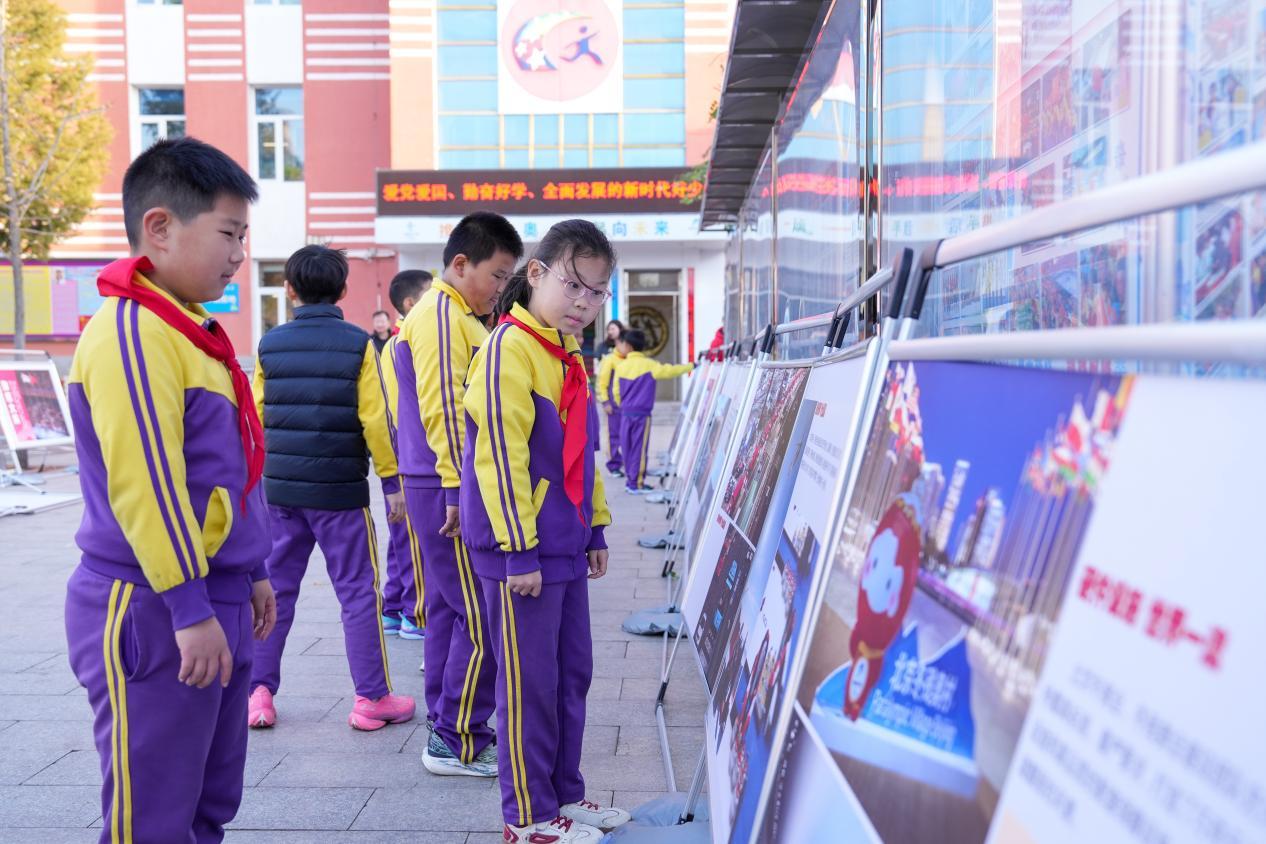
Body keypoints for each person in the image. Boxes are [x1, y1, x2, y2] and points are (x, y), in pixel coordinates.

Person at [64, 136, 277, 842]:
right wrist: (189, 606)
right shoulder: (133, 330)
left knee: (208, 803)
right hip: (156, 605)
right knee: (153, 818)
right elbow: (148, 483)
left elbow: (232, 467)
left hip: (213, 594)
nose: (239, 254)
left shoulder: (192, 333)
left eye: (243, 236)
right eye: (229, 234)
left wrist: (251, 570)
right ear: (159, 227)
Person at [463, 219, 630, 843]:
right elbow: (499, 458)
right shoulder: (508, 348)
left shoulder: (565, 352)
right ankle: (526, 816)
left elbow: (582, 453)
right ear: (536, 274)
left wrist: (595, 528)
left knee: (569, 675)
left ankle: (564, 796)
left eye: (598, 291)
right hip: (522, 553)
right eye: (574, 285)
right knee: (528, 685)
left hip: (562, 544)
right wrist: (519, 551)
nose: (585, 302)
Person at [248, 244, 416, 732]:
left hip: (279, 492)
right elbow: (376, 420)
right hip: (340, 493)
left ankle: (258, 695)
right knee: (358, 593)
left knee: (275, 592)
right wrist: (391, 481)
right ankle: (371, 698)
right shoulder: (360, 344)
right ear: (342, 290)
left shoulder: (269, 344)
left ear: (289, 289)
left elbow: (255, 418)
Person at [395, 211, 523, 775]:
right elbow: (444, 405)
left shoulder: (454, 314)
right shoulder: (444, 315)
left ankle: (445, 722)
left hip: (436, 478)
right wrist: (455, 486)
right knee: (481, 613)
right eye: (497, 275)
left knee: (451, 609)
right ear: (461, 263)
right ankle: (458, 737)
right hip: (445, 481)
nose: (501, 287)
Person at [377, 270, 432, 643]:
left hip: (401, 445)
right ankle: (416, 613)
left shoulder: (401, 341)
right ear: (411, 303)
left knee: (402, 535)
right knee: (412, 535)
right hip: (406, 447)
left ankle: (394, 605)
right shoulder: (403, 343)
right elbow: (403, 409)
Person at [613, 329, 694, 493]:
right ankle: (637, 483)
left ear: (628, 346)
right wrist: (691, 366)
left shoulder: (621, 366)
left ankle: (630, 481)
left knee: (627, 447)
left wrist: (623, 405)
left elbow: (616, 391)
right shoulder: (650, 365)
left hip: (626, 413)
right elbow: (670, 371)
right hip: (642, 415)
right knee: (640, 448)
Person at [594, 319, 626, 477]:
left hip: (627, 401)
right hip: (612, 402)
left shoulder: (628, 353)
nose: (611, 331)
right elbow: (601, 378)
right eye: (609, 329)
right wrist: (605, 400)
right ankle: (614, 464)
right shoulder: (604, 350)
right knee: (613, 434)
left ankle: (628, 463)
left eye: (613, 328)